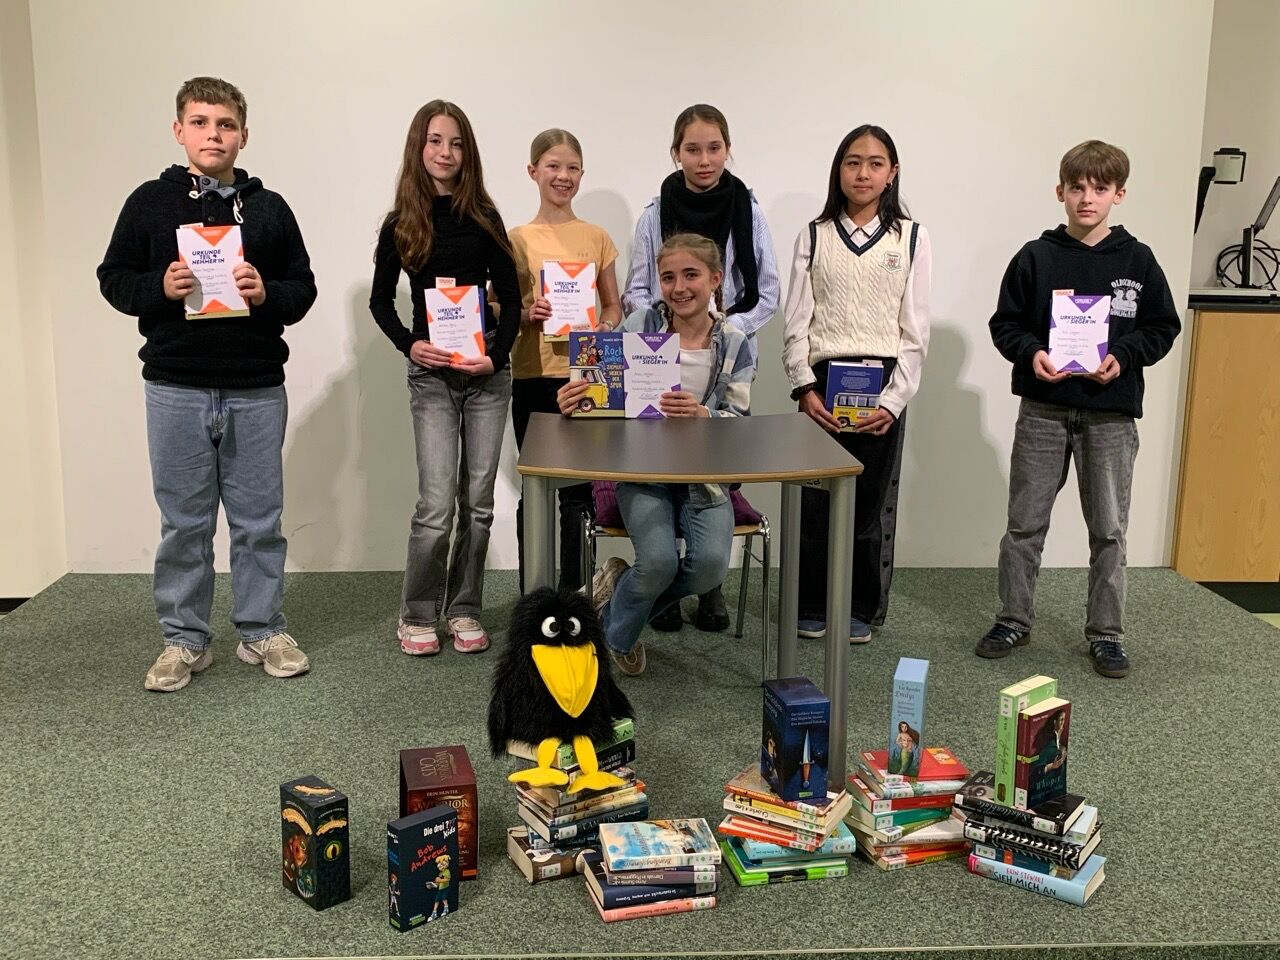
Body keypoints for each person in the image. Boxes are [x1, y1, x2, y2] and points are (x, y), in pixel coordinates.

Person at [97, 76, 317, 692]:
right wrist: (157, 289)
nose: (213, 135)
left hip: (255, 386)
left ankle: (261, 629)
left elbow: (303, 287)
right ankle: (184, 639)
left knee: (259, 521)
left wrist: (266, 293)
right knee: (184, 523)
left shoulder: (270, 209)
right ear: (178, 130)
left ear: (244, 135)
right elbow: (113, 276)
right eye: (199, 122)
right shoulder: (148, 202)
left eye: (225, 125)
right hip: (175, 386)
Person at [976, 140, 1181, 679]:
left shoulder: (1138, 261)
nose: (1087, 198)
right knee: (1024, 523)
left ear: (1119, 194)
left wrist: (1123, 356)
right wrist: (1032, 353)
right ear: (1060, 191)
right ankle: (1013, 619)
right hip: (1043, 410)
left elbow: (1163, 326)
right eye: (1077, 188)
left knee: (1109, 529)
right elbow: (1005, 323)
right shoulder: (1035, 257)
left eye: (1100, 188)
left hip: (1110, 415)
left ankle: (1107, 632)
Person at [558, 234, 753, 676]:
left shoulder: (736, 341)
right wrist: (578, 398)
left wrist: (704, 414)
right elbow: (601, 387)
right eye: (668, 277)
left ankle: (612, 608)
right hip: (643, 469)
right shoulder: (639, 323)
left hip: (703, 474)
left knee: (709, 569)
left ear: (715, 279)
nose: (679, 287)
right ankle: (617, 635)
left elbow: (739, 421)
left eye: (691, 275)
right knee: (659, 563)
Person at [370, 100, 521, 657]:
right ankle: (416, 613)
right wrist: (411, 344)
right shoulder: (400, 224)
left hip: (485, 376)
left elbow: (513, 297)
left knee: (478, 503)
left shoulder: (485, 217)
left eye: (456, 143)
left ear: (468, 152)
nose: (446, 152)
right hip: (432, 377)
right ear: (419, 147)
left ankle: (464, 608)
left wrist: (496, 357)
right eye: (435, 141)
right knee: (436, 506)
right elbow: (380, 301)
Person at [623, 104, 779, 634]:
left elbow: (768, 291)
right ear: (676, 153)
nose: (704, 159)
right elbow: (638, 286)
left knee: (711, 458)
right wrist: (661, 335)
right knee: (659, 471)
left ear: (728, 149)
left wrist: (720, 328)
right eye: (693, 149)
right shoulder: (654, 213)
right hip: (661, 350)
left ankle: (701, 587)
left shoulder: (749, 209)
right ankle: (662, 585)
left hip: (723, 355)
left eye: (714, 147)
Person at [781, 125, 931, 643]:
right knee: (816, 499)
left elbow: (915, 330)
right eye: (852, 162)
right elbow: (796, 321)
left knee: (869, 500)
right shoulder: (814, 235)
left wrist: (894, 400)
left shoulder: (911, 237)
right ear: (838, 170)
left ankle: (860, 606)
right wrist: (804, 388)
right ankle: (809, 603)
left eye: (875, 163)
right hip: (823, 381)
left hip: (881, 384)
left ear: (892, 173)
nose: (863, 173)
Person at [508, 129, 623, 591]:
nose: (563, 176)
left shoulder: (597, 237)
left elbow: (613, 306)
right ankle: (533, 595)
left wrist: (604, 328)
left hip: (585, 372)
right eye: (553, 166)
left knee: (578, 493)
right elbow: (496, 308)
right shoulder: (516, 239)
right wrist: (526, 313)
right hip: (533, 374)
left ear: (582, 174)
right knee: (535, 488)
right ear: (533, 171)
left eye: (572, 168)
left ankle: (576, 595)